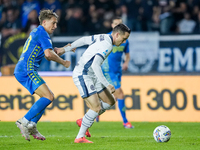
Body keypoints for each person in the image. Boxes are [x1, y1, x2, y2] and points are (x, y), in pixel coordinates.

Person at [55, 23, 131, 143]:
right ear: (117, 34)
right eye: (123, 39)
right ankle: (80, 137)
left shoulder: (103, 37)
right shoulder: (107, 45)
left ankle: (84, 120)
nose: (123, 42)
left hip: (92, 75)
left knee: (110, 101)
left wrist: (65, 49)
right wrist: (107, 84)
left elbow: (84, 40)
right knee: (96, 107)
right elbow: (95, 65)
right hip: (84, 74)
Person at [14, 9, 71, 141]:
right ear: (44, 22)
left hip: (23, 69)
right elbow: (49, 54)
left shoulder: (38, 32)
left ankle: (32, 125)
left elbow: (51, 51)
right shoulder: (43, 33)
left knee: (47, 98)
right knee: (49, 96)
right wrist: (63, 63)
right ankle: (24, 121)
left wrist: (64, 49)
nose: (55, 26)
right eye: (53, 23)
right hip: (26, 70)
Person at [98, 17, 134, 129]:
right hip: (108, 71)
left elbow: (127, 55)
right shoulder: (107, 38)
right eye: (116, 24)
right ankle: (125, 122)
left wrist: (126, 63)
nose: (117, 25)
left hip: (118, 71)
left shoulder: (124, 40)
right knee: (120, 94)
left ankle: (96, 110)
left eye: (120, 24)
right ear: (112, 25)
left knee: (113, 97)